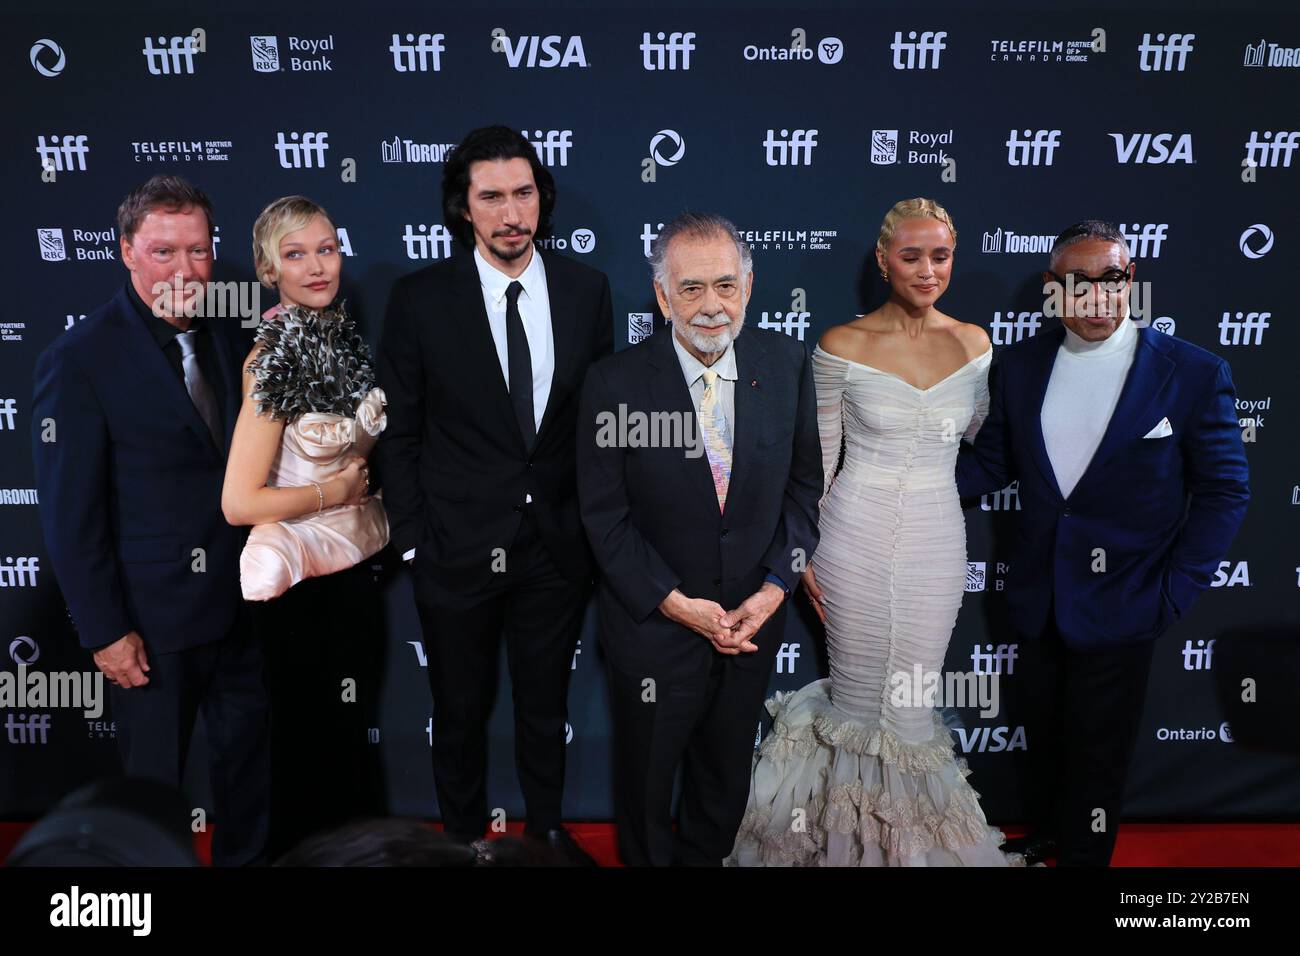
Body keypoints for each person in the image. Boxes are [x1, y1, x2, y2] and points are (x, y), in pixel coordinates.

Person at [729, 198, 1016, 866]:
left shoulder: (975, 345)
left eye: (939, 255)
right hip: (850, 536)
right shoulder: (841, 345)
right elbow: (818, 466)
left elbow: (984, 443)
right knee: (860, 702)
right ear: (884, 260)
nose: (926, 270)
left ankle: (905, 848)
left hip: (938, 542)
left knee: (911, 708)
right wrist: (801, 557)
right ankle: (840, 846)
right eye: (911, 256)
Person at [956, 219, 1249, 866]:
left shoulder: (1193, 374)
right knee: (1045, 737)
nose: (1096, 297)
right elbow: (991, 465)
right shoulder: (1023, 365)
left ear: (1131, 282)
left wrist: (1173, 590)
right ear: (1053, 287)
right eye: (1079, 282)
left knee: (1099, 754)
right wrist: (897, 481)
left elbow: (1226, 492)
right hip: (1036, 598)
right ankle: (1051, 841)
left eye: (1111, 280)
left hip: (1127, 601)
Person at [376, 125, 612, 865]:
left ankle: (544, 837)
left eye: (524, 193)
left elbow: (597, 425)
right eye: (492, 197)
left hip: (555, 548)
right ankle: (464, 845)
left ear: (542, 198)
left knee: (546, 712)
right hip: (454, 547)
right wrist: (414, 539)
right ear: (464, 207)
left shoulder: (587, 289)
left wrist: (589, 528)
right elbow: (399, 431)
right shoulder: (418, 300)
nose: (511, 213)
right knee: (459, 713)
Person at [30, 174, 269, 866]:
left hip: (242, 607)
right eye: (165, 252)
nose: (185, 270)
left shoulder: (231, 332)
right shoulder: (78, 360)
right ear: (127, 251)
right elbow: (72, 515)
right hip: (150, 628)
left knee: (249, 781)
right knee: (152, 798)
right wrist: (106, 631)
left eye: (197, 251)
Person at [577, 212, 822, 866]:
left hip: (749, 625)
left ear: (748, 285)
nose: (711, 306)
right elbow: (604, 517)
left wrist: (774, 591)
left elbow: (804, 492)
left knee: (722, 785)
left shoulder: (789, 363)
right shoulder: (614, 383)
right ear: (662, 297)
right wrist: (677, 604)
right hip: (656, 628)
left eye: (725, 285)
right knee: (647, 788)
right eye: (691, 289)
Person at [221, 195, 386, 858]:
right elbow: (239, 501)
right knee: (308, 753)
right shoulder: (273, 360)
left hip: (346, 580)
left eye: (326, 249)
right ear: (269, 270)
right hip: (297, 597)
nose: (317, 266)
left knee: (344, 746)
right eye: (296, 254)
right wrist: (333, 492)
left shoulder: (337, 336)